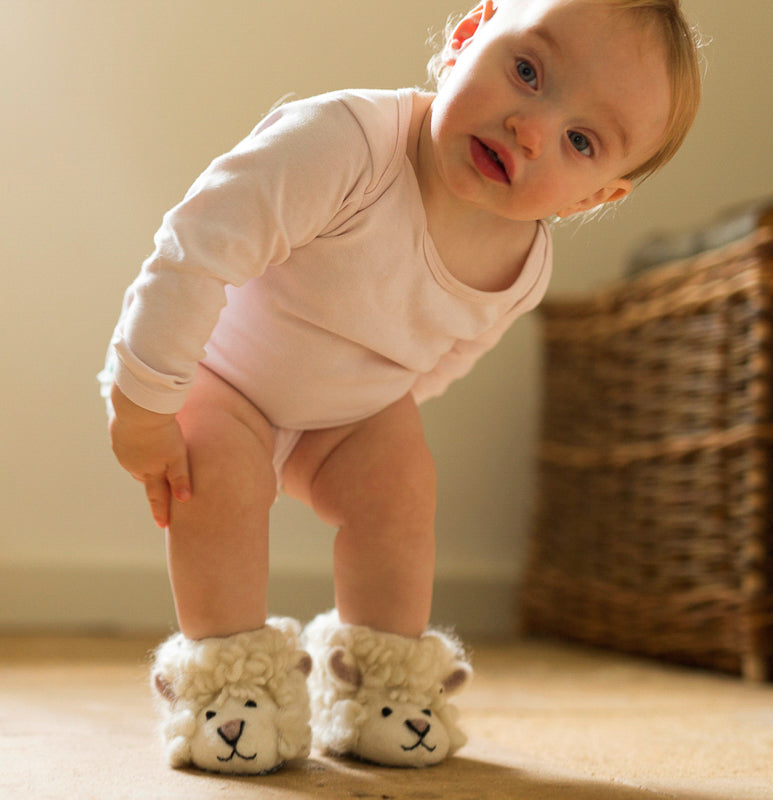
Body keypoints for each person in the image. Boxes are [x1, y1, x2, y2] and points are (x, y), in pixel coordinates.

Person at [101, 0, 702, 773]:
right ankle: (229, 686)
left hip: (349, 410)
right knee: (210, 480)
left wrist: (376, 423)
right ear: (466, 35)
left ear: (590, 198)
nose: (530, 127)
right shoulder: (343, 143)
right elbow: (196, 248)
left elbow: (448, 354)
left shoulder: (522, 265)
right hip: (230, 375)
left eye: (580, 141)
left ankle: (379, 684)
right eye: (526, 71)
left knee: (403, 490)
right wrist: (143, 402)